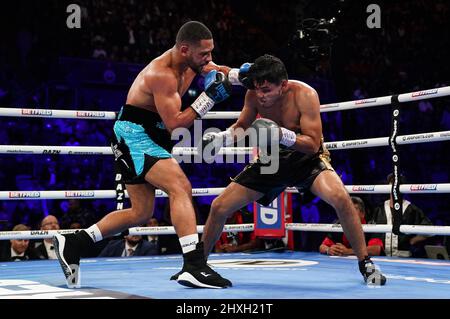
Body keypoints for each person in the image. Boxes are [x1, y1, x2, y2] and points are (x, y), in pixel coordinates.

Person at [53, 21, 236, 289]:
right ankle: (194, 265)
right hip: (135, 135)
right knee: (180, 187)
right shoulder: (161, 74)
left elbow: (219, 70)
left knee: (140, 212)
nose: (208, 59)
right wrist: (208, 98)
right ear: (185, 49)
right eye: (204, 54)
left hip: (151, 134)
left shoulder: (191, 62)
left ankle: (75, 242)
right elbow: (175, 123)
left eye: (210, 52)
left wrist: (248, 75)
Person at [198, 54, 386, 285]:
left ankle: (365, 263)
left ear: (283, 85)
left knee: (341, 197)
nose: (261, 96)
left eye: (266, 90)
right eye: (258, 89)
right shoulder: (253, 93)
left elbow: (313, 144)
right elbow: (242, 126)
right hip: (271, 160)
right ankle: (198, 265)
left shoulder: (305, 95)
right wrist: (223, 138)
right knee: (219, 206)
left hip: (306, 159)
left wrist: (281, 134)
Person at [369, 173, 433, 257]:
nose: (394, 185)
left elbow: (430, 229)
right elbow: (371, 231)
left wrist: (412, 241)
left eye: (397, 182)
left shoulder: (412, 209)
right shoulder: (379, 209)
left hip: (405, 257)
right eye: (392, 182)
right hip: (382, 257)